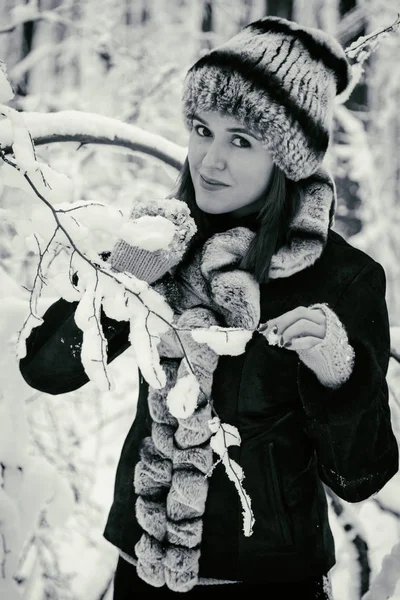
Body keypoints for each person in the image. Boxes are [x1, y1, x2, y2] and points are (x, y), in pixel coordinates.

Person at [19, 15, 399, 600]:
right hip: (143, 568)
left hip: (271, 583)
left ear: (289, 157)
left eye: (241, 140)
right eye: (202, 129)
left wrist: (338, 371)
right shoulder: (158, 240)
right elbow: (48, 370)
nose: (208, 160)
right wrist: (125, 279)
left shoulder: (343, 280)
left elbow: (361, 476)